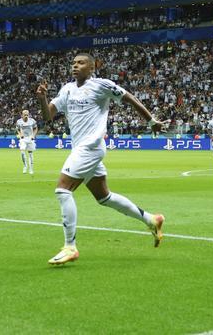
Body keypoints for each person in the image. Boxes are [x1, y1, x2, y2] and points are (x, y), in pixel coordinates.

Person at [36, 53, 166, 266]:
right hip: (81, 148)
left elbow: (129, 97)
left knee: (63, 190)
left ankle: (70, 246)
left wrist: (150, 121)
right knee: (104, 197)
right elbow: (47, 117)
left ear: (93, 67)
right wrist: (42, 99)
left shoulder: (101, 85)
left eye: (81, 63)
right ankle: (152, 219)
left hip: (91, 147)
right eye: (73, 63)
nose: (75, 66)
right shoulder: (67, 89)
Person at [16, 109, 38, 175]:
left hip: (30, 138)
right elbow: (17, 129)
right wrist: (20, 134)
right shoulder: (19, 121)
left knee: (30, 153)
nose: (26, 116)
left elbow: (36, 128)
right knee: (22, 151)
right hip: (23, 139)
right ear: (22, 115)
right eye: (25, 115)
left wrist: (33, 135)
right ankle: (25, 166)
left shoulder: (32, 121)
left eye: (27, 115)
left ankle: (31, 168)